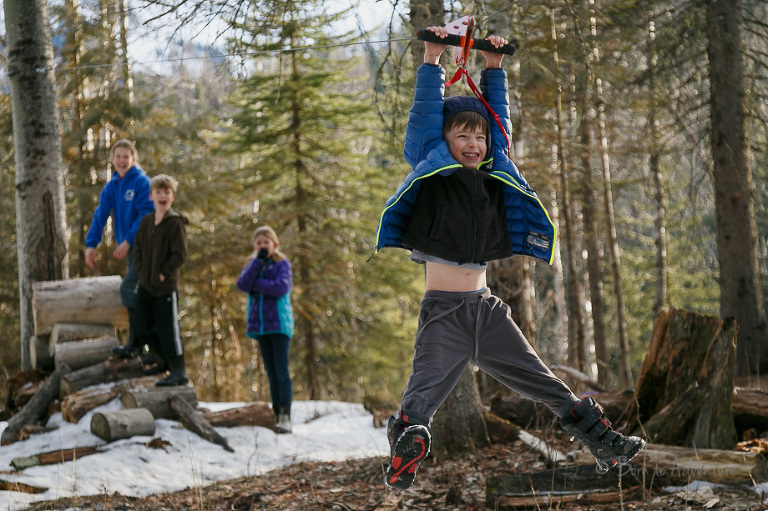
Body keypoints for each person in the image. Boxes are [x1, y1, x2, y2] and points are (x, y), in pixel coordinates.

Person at [372, 27, 645, 490]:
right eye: (462, 135)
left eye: (478, 137)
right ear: (445, 141)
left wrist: (494, 70)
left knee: (545, 384)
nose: (473, 144)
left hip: (488, 312)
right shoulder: (432, 165)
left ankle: (605, 443)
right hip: (444, 313)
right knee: (421, 396)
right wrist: (431, 60)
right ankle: (406, 451)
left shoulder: (496, 168)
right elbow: (423, 119)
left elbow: (500, 125)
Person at [85, 139, 155, 358]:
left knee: (128, 289)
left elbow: (147, 214)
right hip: (132, 250)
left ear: (133, 158)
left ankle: (144, 341)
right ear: (113, 160)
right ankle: (139, 343)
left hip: (146, 246)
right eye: (118, 156)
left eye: (126, 156)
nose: (122, 160)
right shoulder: (112, 187)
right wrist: (91, 244)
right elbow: (100, 215)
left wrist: (128, 241)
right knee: (138, 292)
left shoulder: (142, 182)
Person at [236, 226, 295, 434]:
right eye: (259, 243)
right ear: (254, 246)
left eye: (266, 243)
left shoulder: (282, 265)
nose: (262, 246)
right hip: (261, 327)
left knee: (281, 371)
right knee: (271, 373)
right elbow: (242, 284)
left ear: (275, 245)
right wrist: (257, 264)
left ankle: (286, 415)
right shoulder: (254, 265)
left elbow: (281, 287)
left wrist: (256, 284)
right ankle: (275, 413)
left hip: (279, 324)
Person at [132, 174, 189, 386]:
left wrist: (163, 273)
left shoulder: (175, 223)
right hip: (146, 285)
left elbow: (180, 254)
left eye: (167, 192)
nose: (162, 196)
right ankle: (162, 360)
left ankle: (178, 370)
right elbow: (137, 248)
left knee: (168, 330)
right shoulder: (147, 222)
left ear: (172, 197)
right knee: (141, 325)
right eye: (159, 192)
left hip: (165, 287)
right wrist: (142, 270)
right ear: (151, 196)